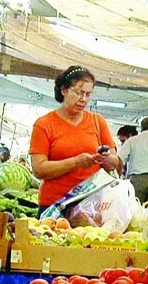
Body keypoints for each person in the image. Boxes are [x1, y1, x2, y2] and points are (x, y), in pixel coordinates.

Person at [29, 65, 121, 216]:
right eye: (78, 93)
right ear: (64, 90)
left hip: (91, 206)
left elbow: (114, 163)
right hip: (54, 205)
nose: (83, 99)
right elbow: (39, 169)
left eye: (88, 94)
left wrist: (105, 158)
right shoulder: (44, 124)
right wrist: (76, 162)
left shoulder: (98, 121)